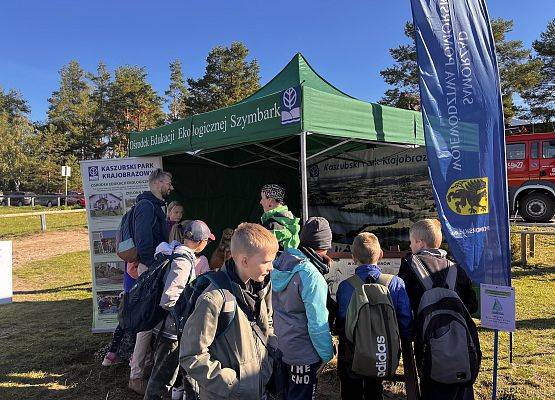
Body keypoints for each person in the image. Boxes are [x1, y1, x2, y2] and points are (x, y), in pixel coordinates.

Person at [179, 223, 279, 400]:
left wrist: (266, 369)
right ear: (244, 261)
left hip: (257, 390)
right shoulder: (214, 299)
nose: (272, 267)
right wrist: (233, 386)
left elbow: (267, 327)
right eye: (266, 261)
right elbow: (191, 355)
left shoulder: (261, 289)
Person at [397, 219, 478, 400]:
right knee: (462, 387)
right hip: (460, 343)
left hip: (427, 340)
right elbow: (472, 306)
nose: (410, 246)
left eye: (411, 242)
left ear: (420, 243)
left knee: (431, 382)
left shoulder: (409, 265)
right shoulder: (456, 268)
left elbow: (402, 302)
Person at [336, 232, 412, 400]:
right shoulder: (395, 283)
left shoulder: (345, 286)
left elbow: (342, 320)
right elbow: (405, 319)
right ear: (381, 254)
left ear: (353, 257)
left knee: (350, 392)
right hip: (382, 351)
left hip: (352, 353)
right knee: (375, 389)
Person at [144, 220, 215, 400]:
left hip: (177, 329)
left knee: (190, 374)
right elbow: (169, 297)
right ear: (200, 242)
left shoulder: (173, 254)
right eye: (207, 240)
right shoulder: (183, 261)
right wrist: (184, 314)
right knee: (162, 379)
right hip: (171, 331)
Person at [272, 216, 335, 400]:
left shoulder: (280, 263)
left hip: (280, 348)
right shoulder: (311, 275)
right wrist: (326, 354)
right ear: (325, 245)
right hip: (303, 354)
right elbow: (318, 323)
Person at [129, 168, 173, 395]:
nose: (170, 187)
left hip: (154, 267)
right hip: (151, 269)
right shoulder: (147, 207)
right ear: (157, 183)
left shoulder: (153, 206)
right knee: (146, 323)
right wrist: (153, 267)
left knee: (152, 320)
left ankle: (145, 367)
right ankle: (136, 375)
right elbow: (145, 241)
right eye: (168, 182)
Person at [260, 184, 300, 249]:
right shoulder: (289, 220)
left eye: (262, 198)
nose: (260, 202)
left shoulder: (272, 225)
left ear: (269, 200)